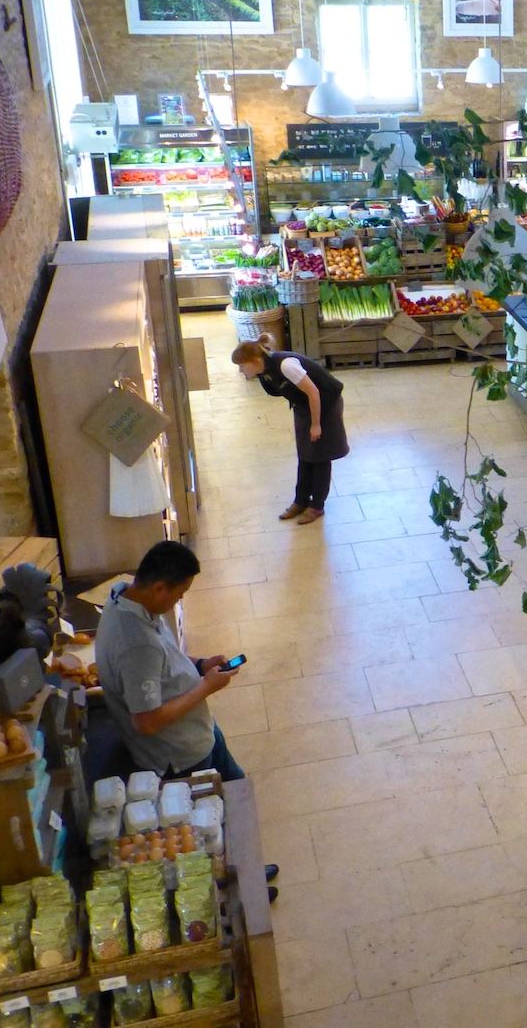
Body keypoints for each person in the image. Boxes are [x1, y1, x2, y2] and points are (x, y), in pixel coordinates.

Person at [96, 541, 280, 899]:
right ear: (159, 586)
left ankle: (249, 871)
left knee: (236, 800)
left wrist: (198, 666)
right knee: (211, 830)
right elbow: (146, 721)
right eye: (179, 594)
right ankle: (240, 893)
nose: (178, 602)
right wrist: (207, 688)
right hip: (179, 753)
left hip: (199, 733)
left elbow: (165, 663)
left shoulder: (124, 596)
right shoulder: (136, 645)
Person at [230, 336, 350, 526]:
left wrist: (316, 424)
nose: (240, 371)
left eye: (242, 366)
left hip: (325, 404)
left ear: (254, 361)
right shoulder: (265, 371)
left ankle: (317, 505)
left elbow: (314, 392)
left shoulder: (286, 365)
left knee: (320, 455)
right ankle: (301, 501)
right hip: (304, 406)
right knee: (305, 454)